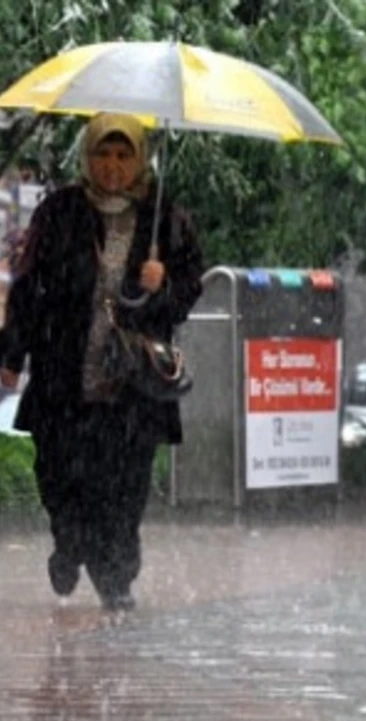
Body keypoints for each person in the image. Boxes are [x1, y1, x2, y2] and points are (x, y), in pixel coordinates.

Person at [0, 113, 204, 610]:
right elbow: (29, 287)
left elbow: (185, 295)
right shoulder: (60, 212)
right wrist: (12, 354)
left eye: (123, 154)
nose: (112, 166)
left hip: (131, 386)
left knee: (125, 488)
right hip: (64, 376)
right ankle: (69, 545)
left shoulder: (165, 219)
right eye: (102, 154)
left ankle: (116, 581)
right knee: (60, 476)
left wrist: (163, 286)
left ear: (140, 158)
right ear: (87, 157)